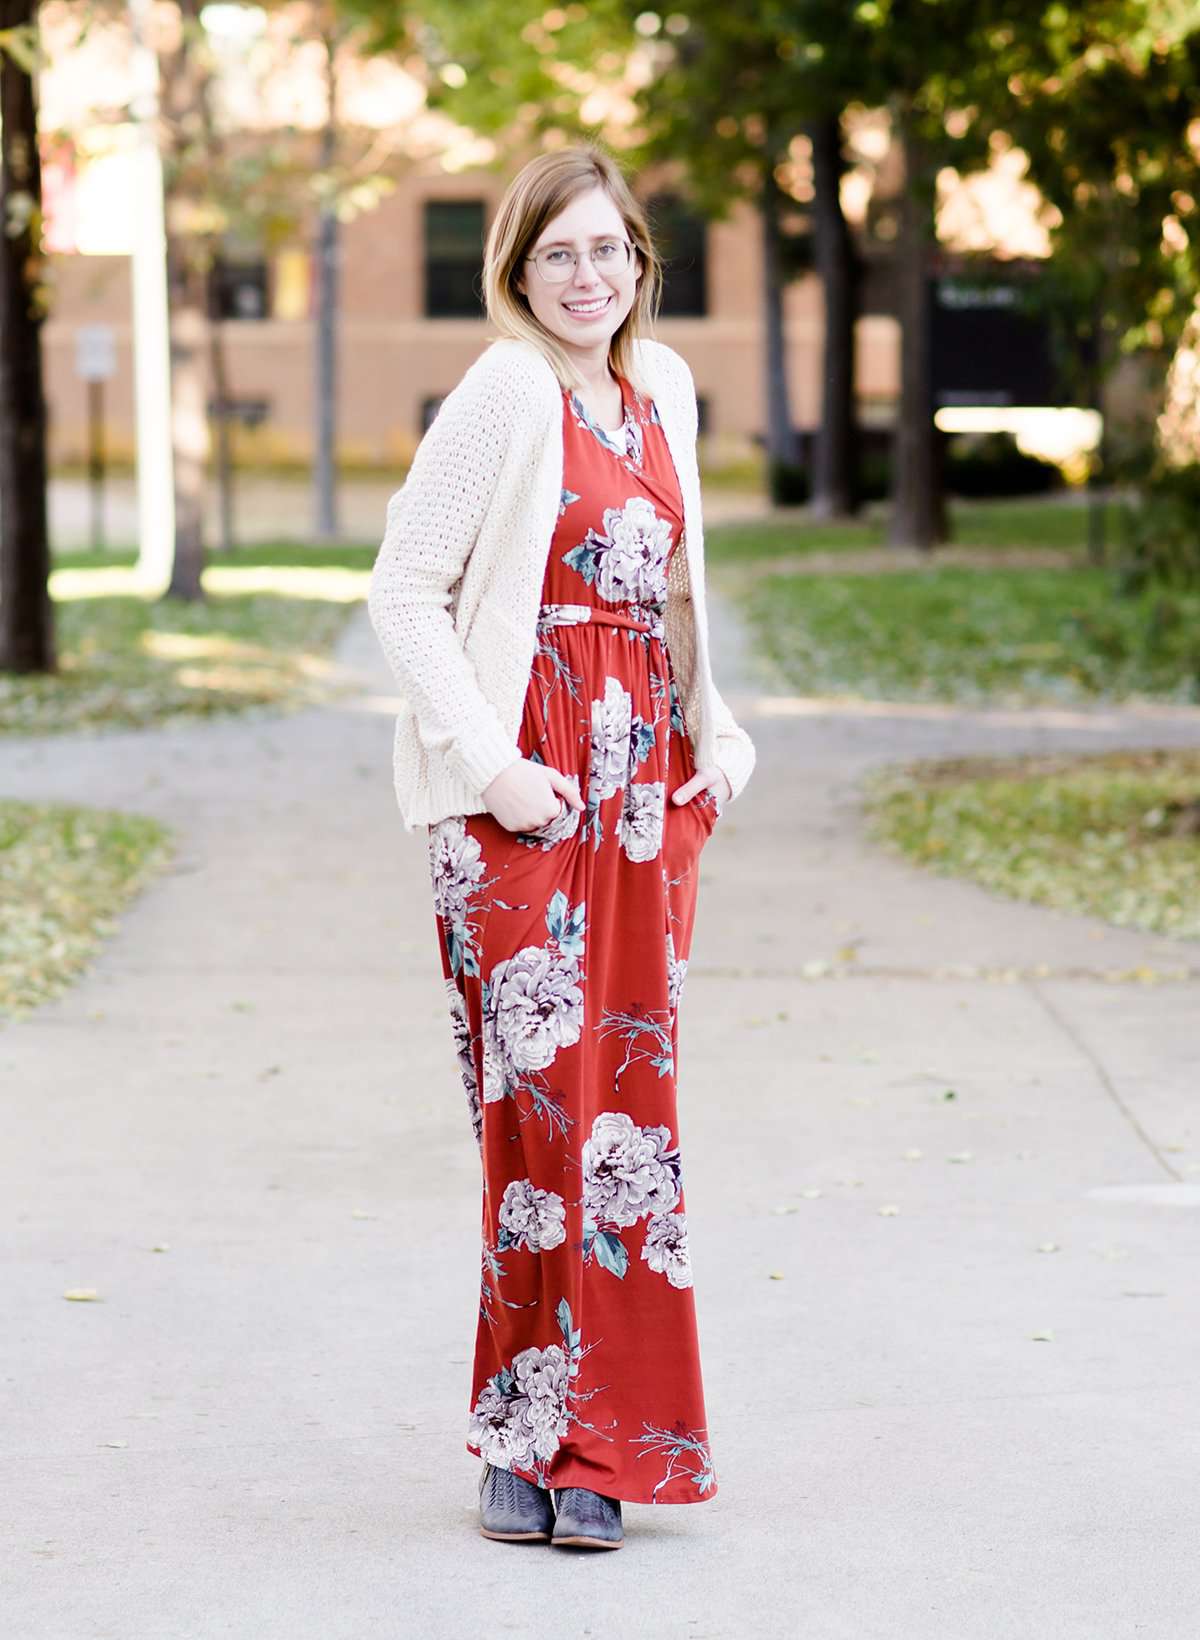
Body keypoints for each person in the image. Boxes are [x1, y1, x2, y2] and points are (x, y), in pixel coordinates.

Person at [367, 142, 756, 1551]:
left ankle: (600, 1447)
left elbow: (673, 593)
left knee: (624, 1133)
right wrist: (492, 770)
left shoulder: (666, 391)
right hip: (523, 802)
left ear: (642, 259)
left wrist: (716, 739)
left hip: (644, 800)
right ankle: (520, 1439)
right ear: (517, 272)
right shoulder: (504, 389)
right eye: (559, 256)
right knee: (537, 1125)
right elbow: (405, 588)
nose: (589, 278)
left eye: (611, 251)